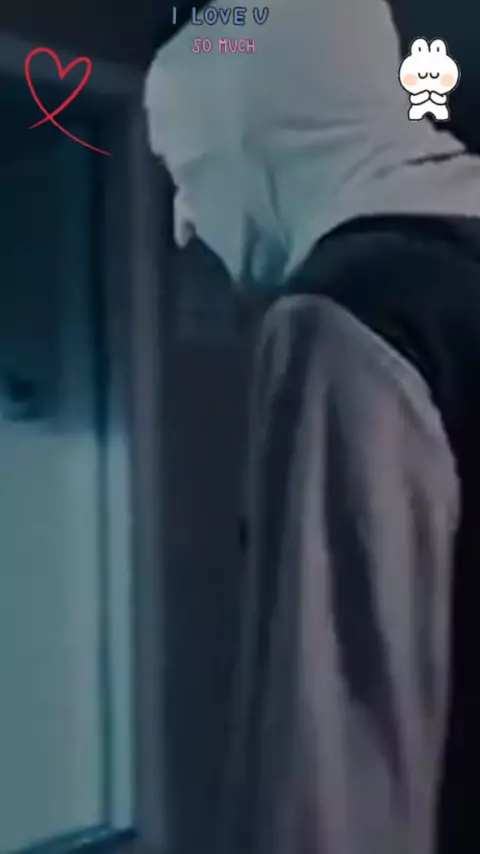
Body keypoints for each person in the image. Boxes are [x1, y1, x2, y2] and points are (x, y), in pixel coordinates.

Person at [144, 1, 480, 852]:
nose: (184, 223)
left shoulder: (348, 318)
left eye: (189, 169)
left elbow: (337, 758)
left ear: (268, 145)